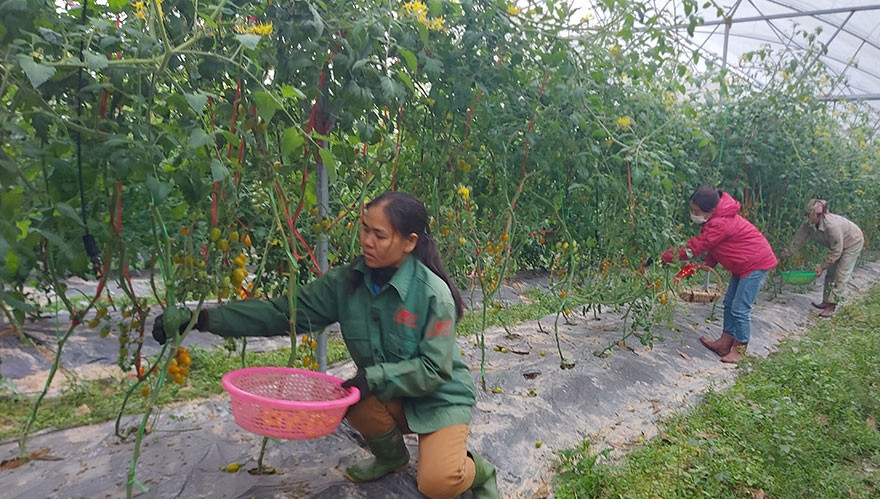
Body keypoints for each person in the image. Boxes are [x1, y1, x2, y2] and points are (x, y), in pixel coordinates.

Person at [152, 191, 498, 499]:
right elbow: (281, 314)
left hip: (440, 398)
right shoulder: (346, 283)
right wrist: (203, 319)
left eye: (379, 235)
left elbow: (434, 370)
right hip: (392, 393)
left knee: (437, 484)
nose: (367, 241)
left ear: (409, 242)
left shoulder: (432, 294)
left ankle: (478, 471)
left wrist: (373, 379)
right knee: (349, 398)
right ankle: (392, 458)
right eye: (365, 230)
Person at [661, 186, 778, 363]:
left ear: (711, 210)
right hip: (743, 265)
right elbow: (715, 247)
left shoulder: (720, 223)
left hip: (755, 264)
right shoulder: (716, 219)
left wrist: (667, 256)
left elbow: (696, 246)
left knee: (740, 308)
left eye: (696, 211)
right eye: (691, 210)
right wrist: (705, 264)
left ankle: (740, 351)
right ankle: (724, 343)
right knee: (729, 302)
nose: (693, 214)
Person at [780, 198, 864, 318]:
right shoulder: (808, 224)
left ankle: (832, 304)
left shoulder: (832, 226)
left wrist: (822, 266)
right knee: (830, 273)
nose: (807, 217)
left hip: (852, 242)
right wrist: (784, 255)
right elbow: (797, 242)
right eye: (806, 214)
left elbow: (836, 251)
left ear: (819, 215)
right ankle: (826, 301)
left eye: (810, 215)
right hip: (837, 245)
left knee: (841, 273)